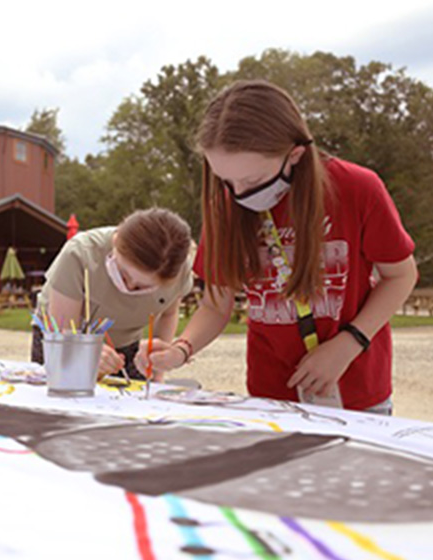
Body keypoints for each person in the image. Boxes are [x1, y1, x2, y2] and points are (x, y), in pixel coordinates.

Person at [136, 80, 418, 414]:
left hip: (357, 391)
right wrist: (180, 349)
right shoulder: (225, 206)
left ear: (294, 154)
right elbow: (215, 305)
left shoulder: (357, 188)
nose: (239, 193)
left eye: (252, 181)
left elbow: (400, 276)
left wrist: (349, 343)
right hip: (271, 395)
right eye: (227, 181)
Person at [31, 208, 193, 380]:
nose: (129, 286)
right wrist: (83, 350)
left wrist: (157, 372)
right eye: (124, 274)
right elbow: (63, 329)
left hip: (127, 344)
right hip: (63, 340)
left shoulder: (179, 271)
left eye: (142, 287)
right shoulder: (80, 253)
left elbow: (168, 314)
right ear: (116, 242)